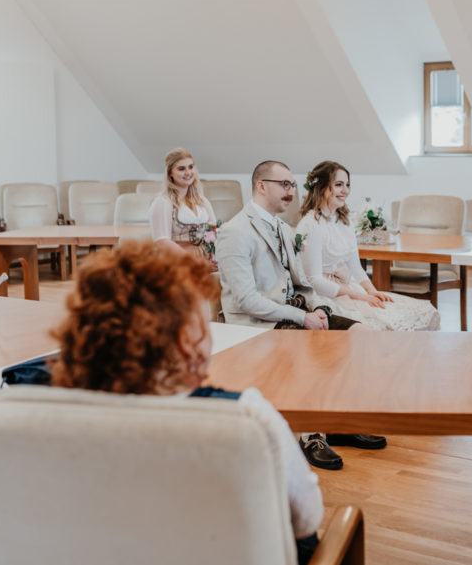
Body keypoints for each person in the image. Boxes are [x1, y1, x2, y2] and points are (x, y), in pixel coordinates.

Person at [51, 242, 323, 564]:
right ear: (185, 341)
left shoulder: (55, 418)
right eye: (205, 323)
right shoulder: (248, 418)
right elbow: (307, 517)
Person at [216, 160, 385, 470]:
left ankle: (339, 422)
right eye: (283, 184)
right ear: (261, 186)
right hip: (257, 322)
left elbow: (303, 283)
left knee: (363, 336)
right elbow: (247, 300)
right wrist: (301, 318)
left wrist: (318, 308)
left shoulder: (283, 227)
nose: (291, 191)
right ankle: (312, 435)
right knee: (315, 348)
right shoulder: (234, 232)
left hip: (294, 312)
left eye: (292, 185)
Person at [296, 161, 439, 331]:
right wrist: (358, 296)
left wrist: (371, 291)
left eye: (347, 185)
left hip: (351, 289)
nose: (345, 191)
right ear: (322, 187)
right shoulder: (310, 225)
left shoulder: (344, 222)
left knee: (423, 311)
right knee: (381, 326)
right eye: (339, 185)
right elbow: (314, 280)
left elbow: (355, 267)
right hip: (326, 295)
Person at [148, 148, 218, 272]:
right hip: (178, 262)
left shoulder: (203, 201)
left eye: (191, 167)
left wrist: (213, 258)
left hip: (206, 259)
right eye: (181, 169)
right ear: (170, 173)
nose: (188, 172)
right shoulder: (163, 202)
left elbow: (213, 232)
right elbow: (162, 242)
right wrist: (196, 264)